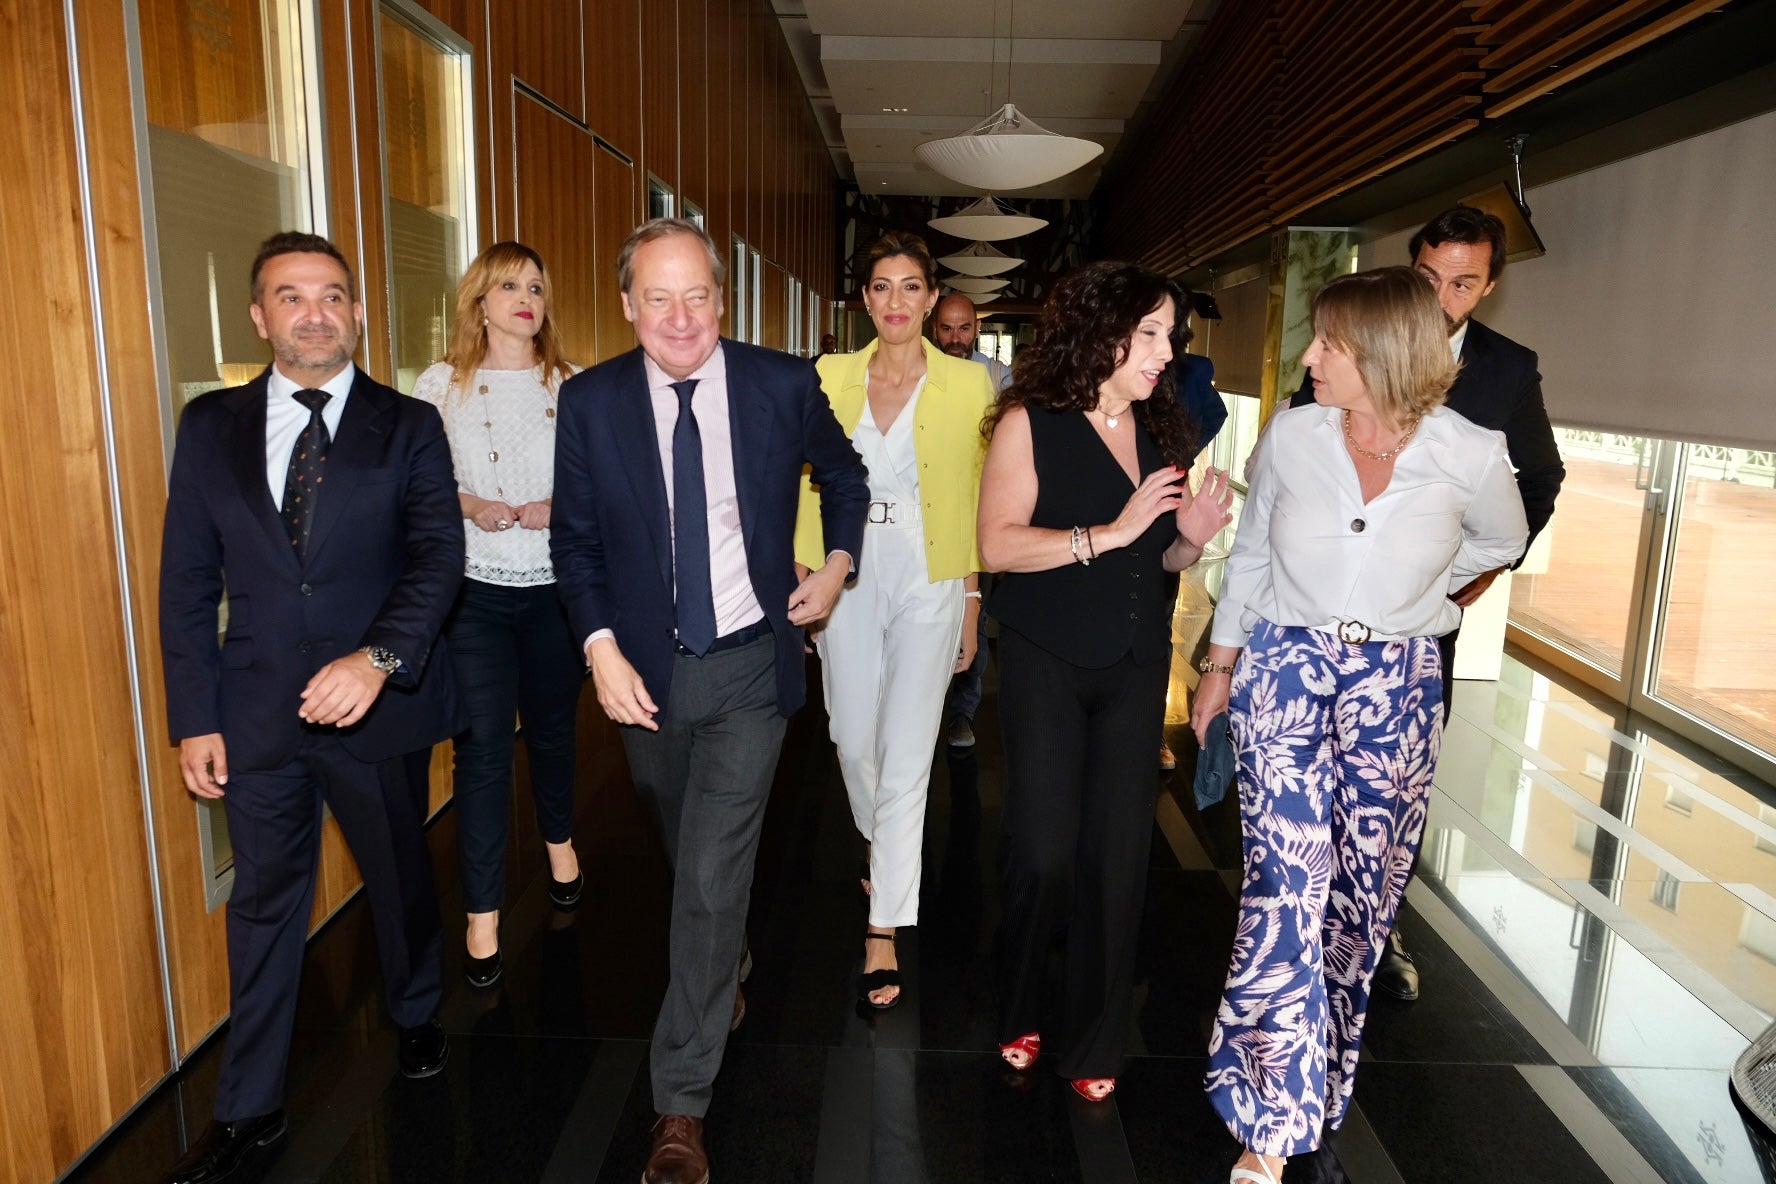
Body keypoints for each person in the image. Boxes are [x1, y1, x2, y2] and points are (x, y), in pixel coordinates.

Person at [550, 218, 868, 1184]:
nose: (680, 318)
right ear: (626, 305)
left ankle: (680, 1106)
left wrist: (839, 565)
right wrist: (600, 650)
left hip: (746, 667)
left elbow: (845, 473)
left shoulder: (779, 383)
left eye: (697, 296)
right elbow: (576, 542)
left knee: (708, 877)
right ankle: (718, 968)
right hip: (644, 674)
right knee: (678, 840)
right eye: (658, 297)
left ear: (721, 301)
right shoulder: (594, 402)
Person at [1195, 267, 1527, 1183]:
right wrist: (1220, 667)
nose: (1309, 358)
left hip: (1398, 687)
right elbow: (1254, 552)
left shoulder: (1471, 452)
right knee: (1284, 887)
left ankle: (1322, 1076)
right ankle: (1266, 1114)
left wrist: (1422, 595)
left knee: (1361, 899)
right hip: (1286, 675)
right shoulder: (1294, 438)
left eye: (1328, 344)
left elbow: (1500, 541)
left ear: (1382, 354)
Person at [158, 232, 462, 1184]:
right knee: (262, 904)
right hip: (251, 714)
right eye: (291, 296)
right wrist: (192, 715)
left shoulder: (408, 425)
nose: (315, 312)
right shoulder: (209, 426)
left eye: (332, 295)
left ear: (358, 313)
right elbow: (184, 582)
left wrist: (376, 660)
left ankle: (416, 1012)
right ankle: (248, 1107)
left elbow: (436, 559)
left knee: (399, 876)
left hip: (374, 710)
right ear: (260, 317)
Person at [1287, 204, 1564, 1002]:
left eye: (1463, 284)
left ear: (1488, 288)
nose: (1442, 298)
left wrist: (1473, 577)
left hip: (1416, 621)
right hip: (1317, 612)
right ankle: (1301, 925)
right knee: (1312, 777)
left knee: (1394, 786)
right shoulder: (1343, 348)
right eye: (1429, 278)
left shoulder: (1507, 370)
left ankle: (1379, 926)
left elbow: (1538, 482)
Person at [980, 261, 1232, 1103]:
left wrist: (1189, 539)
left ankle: (1095, 1035)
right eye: (1151, 333)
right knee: (1046, 852)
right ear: (1101, 330)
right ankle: (1016, 1001)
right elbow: (1000, 547)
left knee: (1119, 858)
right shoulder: (1031, 419)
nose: (1166, 352)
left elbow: (1155, 557)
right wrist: (1108, 530)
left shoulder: (1164, 426)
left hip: (1131, 665)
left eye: (1172, 336)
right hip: (1045, 657)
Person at [794, 232, 994, 1010]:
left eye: (911, 287)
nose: (897, 303)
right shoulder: (829, 375)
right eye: (882, 287)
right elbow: (799, 473)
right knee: (850, 732)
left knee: (911, 745)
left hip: (933, 564)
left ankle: (883, 923)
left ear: (930, 295)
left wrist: (973, 600)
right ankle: (887, 842)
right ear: (865, 299)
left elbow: (980, 496)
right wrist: (805, 569)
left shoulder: (969, 383)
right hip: (846, 562)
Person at [411, 242, 584, 989]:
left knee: (549, 728)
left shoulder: (570, 385)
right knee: (481, 747)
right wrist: (471, 504)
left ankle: (559, 843)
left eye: (537, 286)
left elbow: (602, 486)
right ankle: (481, 914)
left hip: (553, 589)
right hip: (474, 591)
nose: (526, 297)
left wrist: (558, 507)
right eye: (509, 284)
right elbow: (418, 487)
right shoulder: (438, 384)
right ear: (479, 301)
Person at [931, 289, 1009, 750]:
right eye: (947, 328)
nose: (956, 337)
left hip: (978, 519)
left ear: (976, 329)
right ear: (934, 329)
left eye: (964, 328)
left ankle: (962, 712)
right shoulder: (920, 374)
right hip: (928, 518)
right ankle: (924, 709)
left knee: (972, 617)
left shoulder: (999, 379)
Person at [1158, 300, 1228, 773]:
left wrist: (1181, 455)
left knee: (1157, 622)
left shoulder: (1194, 369)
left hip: (1166, 498)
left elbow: (1217, 414)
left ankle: (1151, 735)